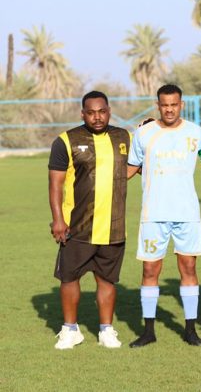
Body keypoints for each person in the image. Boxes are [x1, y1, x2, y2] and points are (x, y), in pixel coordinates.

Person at [126, 84, 201, 348]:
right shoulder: (144, 133)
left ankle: (190, 330)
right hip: (153, 213)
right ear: (158, 105)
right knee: (149, 269)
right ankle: (148, 331)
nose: (169, 109)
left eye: (174, 105)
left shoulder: (196, 133)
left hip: (186, 213)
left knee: (188, 268)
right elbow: (130, 168)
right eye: (164, 105)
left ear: (181, 105)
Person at [48, 91, 130, 349]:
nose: (97, 117)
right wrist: (58, 220)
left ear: (109, 111)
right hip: (77, 226)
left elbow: (135, 165)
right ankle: (70, 330)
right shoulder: (65, 141)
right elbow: (55, 184)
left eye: (102, 111)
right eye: (91, 112)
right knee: (69, 278)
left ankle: (106, 331)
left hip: (113, 225)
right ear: (82, 114)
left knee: (107, 280)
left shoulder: (124, 137)